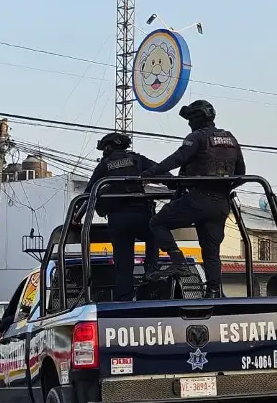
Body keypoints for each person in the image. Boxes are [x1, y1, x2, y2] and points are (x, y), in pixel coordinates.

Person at [142, 100, 245, 298]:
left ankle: (179, 262)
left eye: (189, 119)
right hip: (221, 203)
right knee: (211, 252)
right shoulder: (230, 139)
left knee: (157, 223)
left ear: (195, 119)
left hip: (199, 199)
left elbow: (177, 159)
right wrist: (223, 188)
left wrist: (150, 173)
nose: (188, 124)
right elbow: (241, 172)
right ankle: (214, 292)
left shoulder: (197, 137)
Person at [86, 132, 160, 301]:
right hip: (143, 216)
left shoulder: (104, 166)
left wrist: (77, 216)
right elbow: (163, 173)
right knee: (155, 231)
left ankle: (123, 301)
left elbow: (89, 191)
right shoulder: (137, 160)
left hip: (119, 220)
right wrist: (181, 187)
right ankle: (151, 270)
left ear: (107, 148)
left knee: (124, 266)